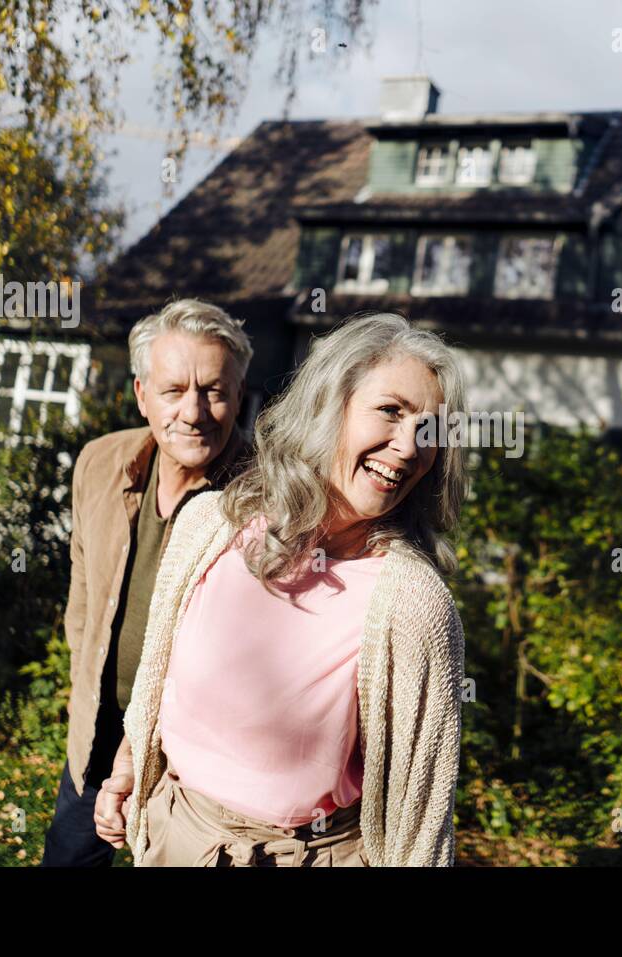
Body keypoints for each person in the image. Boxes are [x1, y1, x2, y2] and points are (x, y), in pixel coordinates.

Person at [92, 311, 468, 866]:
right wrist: (130, 765)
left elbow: (422, 814)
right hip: (177, 835)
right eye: (390, 411)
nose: (410, 447)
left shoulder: (413, 601)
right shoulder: (208, 527)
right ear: (326, 405)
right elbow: (158, 679)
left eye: (429, 430)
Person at [40, 299, 253, 867]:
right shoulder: (99, 463)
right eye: (173, 390)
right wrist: (85, 693)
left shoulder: (265, 497)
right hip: (100, 733)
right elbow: (82, 601)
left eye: (214, 390)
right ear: (141, 394)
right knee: (68, 861)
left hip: (198, 761)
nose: (194, 411)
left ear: (238, 395)